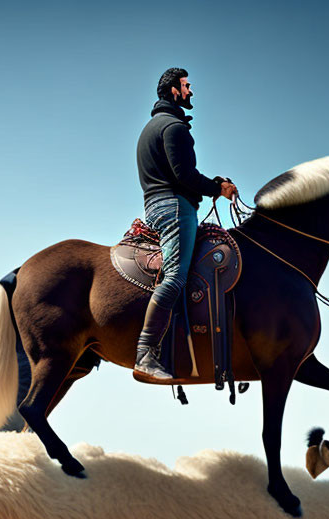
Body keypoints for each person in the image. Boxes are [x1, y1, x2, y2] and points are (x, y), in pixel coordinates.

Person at [134, 67, 238, 381]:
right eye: (186, 85)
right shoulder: (175, 128)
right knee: (177, 276)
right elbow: (184, 176)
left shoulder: (150, 128)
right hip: (175, 208)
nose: (190, 91)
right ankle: (146, 354)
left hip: (154, 205)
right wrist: (217, 187)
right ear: (174, 91)